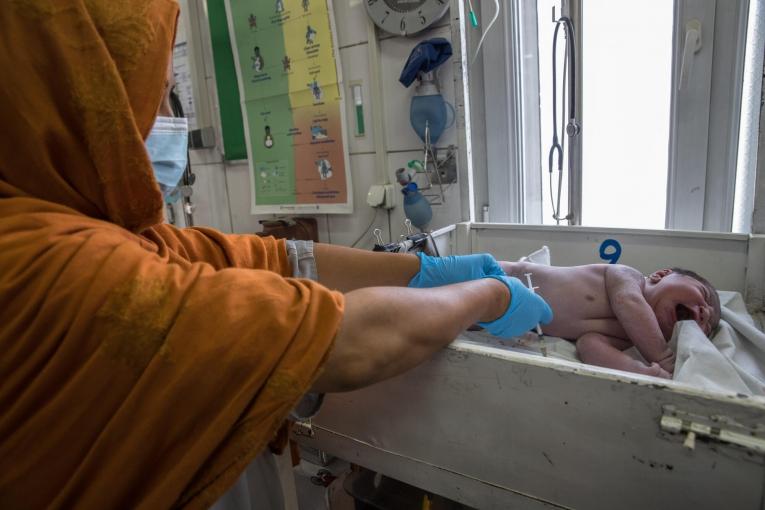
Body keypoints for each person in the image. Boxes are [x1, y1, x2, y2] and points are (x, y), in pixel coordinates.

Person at [0, 2, 552, 508]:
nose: (174, 121)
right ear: (81, 101)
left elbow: (276, 260)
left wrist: (430, 270)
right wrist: (488, 294)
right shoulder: (40, 263)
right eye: (159, 97)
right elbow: (342, 341)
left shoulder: (97, 225)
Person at [499, 261, 721, 378]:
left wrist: (640, 371)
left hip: (498, 317)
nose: (706, 313)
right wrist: (662, 358)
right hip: (503, 276)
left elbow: (589, 346)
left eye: (707, 327)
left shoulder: (628, 338)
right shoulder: (629, 277)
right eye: (704, 294)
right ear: (662, 275)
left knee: (469, 315)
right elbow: (628, 302)